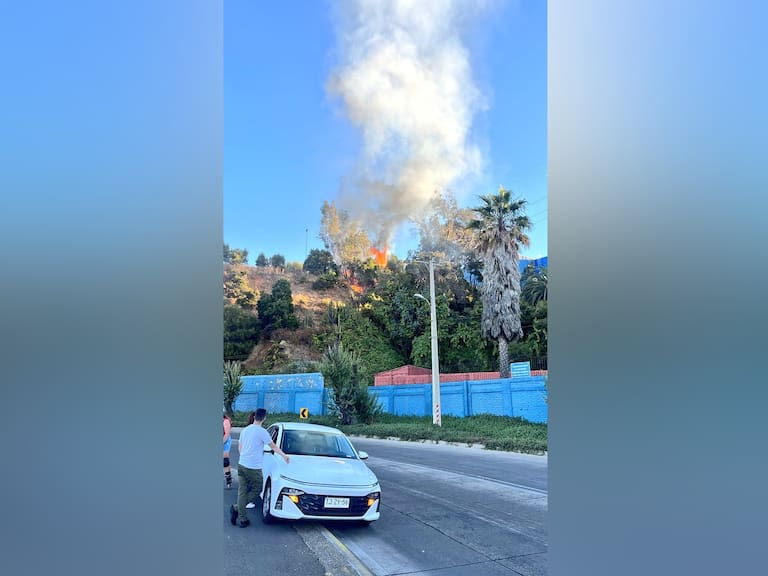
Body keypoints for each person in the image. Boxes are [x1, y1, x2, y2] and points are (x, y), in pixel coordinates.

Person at [230, 408, 290, 528]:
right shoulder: (262, 432)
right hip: (254, 467)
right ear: (264, 418)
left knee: (242, 491)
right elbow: (273, 447)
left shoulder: (245, 430)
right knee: (257, 489)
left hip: (242, 464)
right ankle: (237, 509)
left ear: (254, 416)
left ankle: (242, 517)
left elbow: (240, 448)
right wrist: (284, 456)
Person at [223, 412, 233, 489]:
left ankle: (228, 479)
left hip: (225, 441)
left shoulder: (225, 421)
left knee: (225, 461)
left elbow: (227, 434)